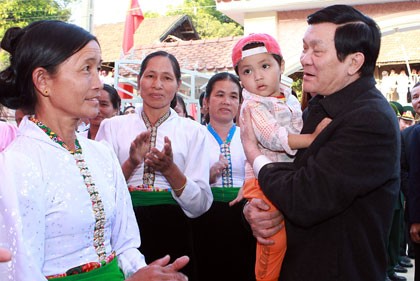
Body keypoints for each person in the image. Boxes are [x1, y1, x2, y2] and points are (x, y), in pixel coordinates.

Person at [0, 20, 189, 280]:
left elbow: (125, 243)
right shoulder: (17, 164)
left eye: (98, 68)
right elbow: (20, 271)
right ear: (43, 80)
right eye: (86, 69)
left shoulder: (101, 154)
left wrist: (140, 270)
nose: (99, 83)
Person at [241, 5, 400, 281]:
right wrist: (257, 208)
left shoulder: (370, 119)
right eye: (304, 49)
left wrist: (253, 153)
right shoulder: (319, 107)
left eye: (317, 50)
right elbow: (291, 173)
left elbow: (303, 198)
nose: (304, 59)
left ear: (354, 62)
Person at [96, 50, 213, 281]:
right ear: (139, 81)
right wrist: (131, 163)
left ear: (178, 84)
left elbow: (200, 205)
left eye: (167, 78)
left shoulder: (194, 133)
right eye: (150, 76)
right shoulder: (112, 127)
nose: (157, 84)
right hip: (120, 229)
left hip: (174, 230)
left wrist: (170, 170)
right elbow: (97, 194)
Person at [232, 33, 330, 281]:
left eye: (265, 66)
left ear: (281, 66)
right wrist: (311, 139)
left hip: (285, 178)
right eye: (247, 72)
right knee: (273, 242)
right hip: (265, 180)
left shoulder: (289, 97)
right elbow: (273, 137)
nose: (257, 76)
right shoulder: (253, 106)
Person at [191, 72, 257, 281]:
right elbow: (182, 182)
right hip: (204, 218)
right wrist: (206, 176)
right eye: (219, 95)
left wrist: (249, 187)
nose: (226, 101)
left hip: (243, 217)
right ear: (206, 101)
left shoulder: (249, 136)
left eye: (233, 96)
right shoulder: (194, 136)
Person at [403, 82, 420, 281]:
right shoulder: (413, 133)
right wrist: (415, 219)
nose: (418, 101)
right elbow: (413, 177)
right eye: (414, 97)